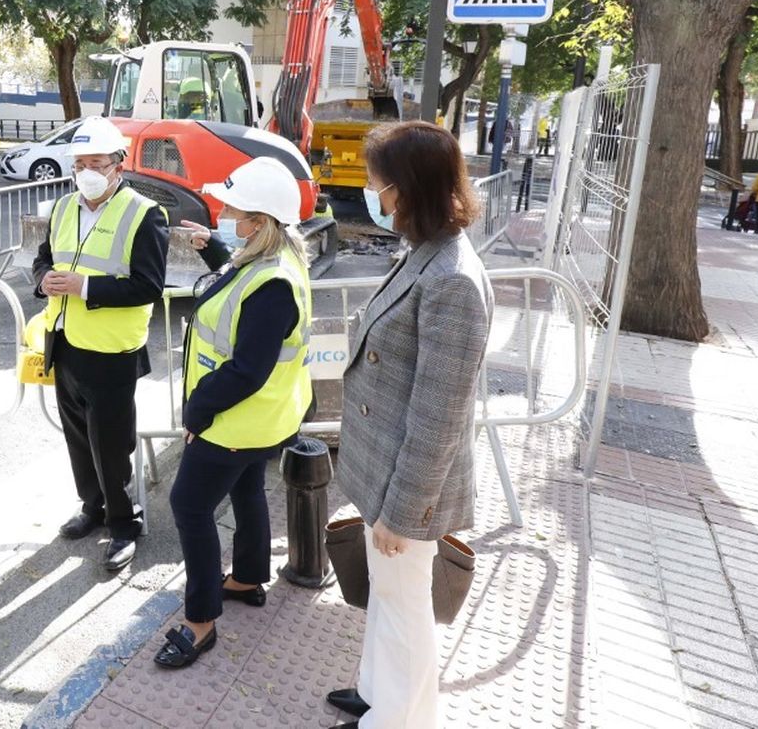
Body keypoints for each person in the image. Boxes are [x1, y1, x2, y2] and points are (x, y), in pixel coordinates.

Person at [330, 121, 493, 728]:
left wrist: (403, 511)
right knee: (388, 598)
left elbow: (438, 417)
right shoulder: (424, 249)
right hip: (387, 471)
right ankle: (379, 692)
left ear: (405, 189)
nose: (372, 193)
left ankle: (400, 719)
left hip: (411, 487)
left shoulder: (451, 279)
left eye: (377, 183)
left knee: (404, 608)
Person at [152, 160, 313, 670]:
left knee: (190, 506)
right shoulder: (276, 260)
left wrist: (197, 411)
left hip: (237, 420)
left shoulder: (272, 286)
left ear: (261, 222)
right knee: (246, 491)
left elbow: (247, 369)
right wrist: (217, 248)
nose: (225, 215)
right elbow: (240, 283)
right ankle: (246, 577)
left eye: (234, 212)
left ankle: (200, 622)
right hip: (269, 419)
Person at [33, 115, 168, 571]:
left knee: (111, 445)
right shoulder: (63, 208)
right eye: (80, 163)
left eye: (96, 162)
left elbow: (148, 286)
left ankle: (124, 524)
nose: (87, 170)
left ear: (118, 165)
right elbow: (43, 260)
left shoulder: (144, 214)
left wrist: (85, 288)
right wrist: (43, 281)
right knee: (76, 437)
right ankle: (92, 507)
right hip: (66, 343)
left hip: (112, 353)